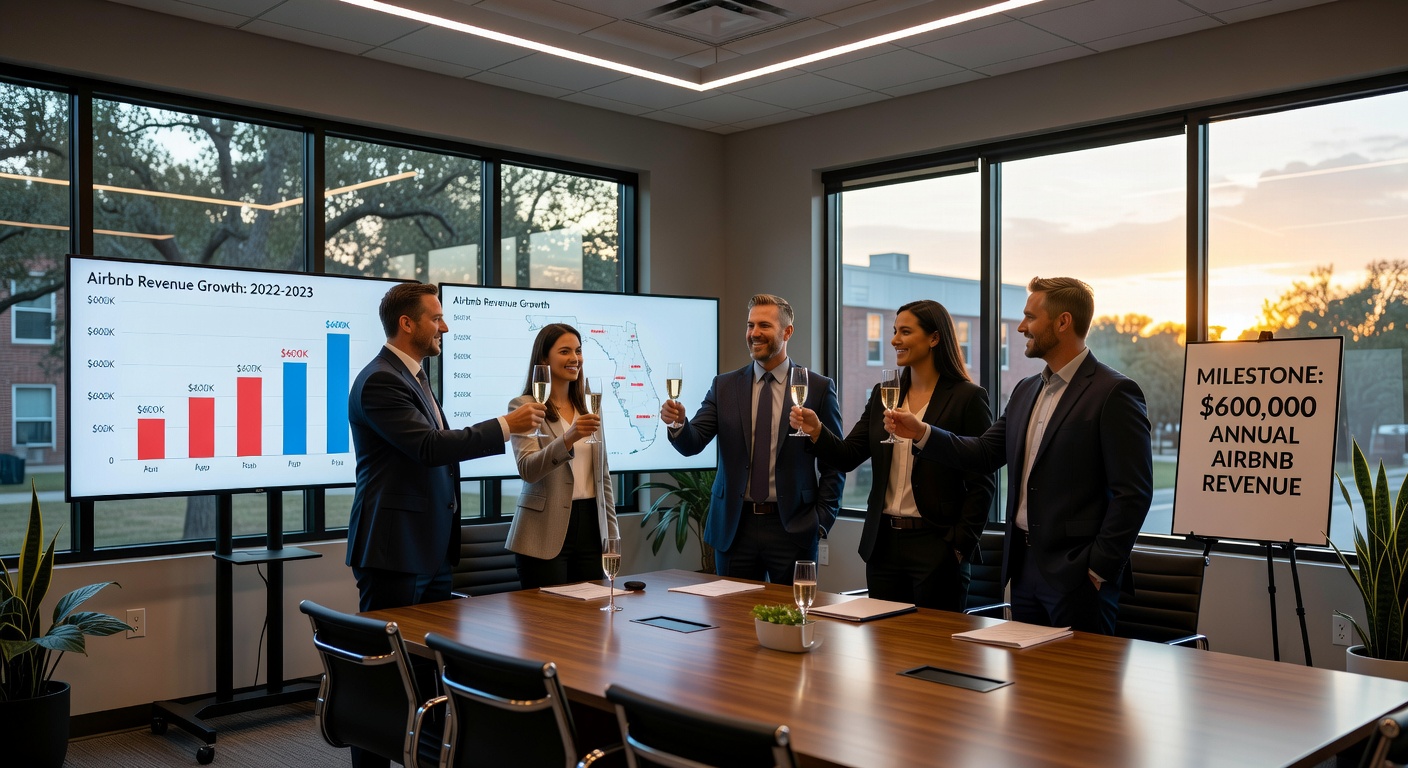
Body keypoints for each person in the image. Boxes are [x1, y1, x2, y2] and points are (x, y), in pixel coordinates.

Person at [887, 277, 1152, 634]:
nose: (1021, 327)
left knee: (1084, 686)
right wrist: (922, 433)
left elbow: (1133, 493)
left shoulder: (1114, 392)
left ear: (1063, 322)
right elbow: (982, 453)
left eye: (1030, 317)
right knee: (1026, 686)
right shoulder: (1026, 390)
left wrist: (1098, 568)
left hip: (1079, 577)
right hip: (1024, 570)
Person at [346, 282, 545, 614]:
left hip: (428, 550)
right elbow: (429, 447)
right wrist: (507, 425)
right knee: (392, 658)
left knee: (429, 656)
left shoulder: (412, 377)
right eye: (436, 319)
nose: (445, 327)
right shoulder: (381, 380)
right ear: (407, 323)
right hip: (396, 550)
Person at [789, 300, 995, 611]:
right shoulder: (884, 392)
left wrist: (958, 546)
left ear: (934, 338)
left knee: (933, 647)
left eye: (905, 332)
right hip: (882, 545)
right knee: (884, 650)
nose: (894, 340)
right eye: (894, 331)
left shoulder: (968, 398)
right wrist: (817, 430)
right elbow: (848, 456)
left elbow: (982, 480)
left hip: (936, 546)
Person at [661, 293, 845, 583]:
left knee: (791, 620)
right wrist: (678, 424)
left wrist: (821, 522)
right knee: (732, 624)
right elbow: (692, 444)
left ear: (787, 332)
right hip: (735, 528)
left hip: (794, 528)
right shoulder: (724, 386)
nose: (754, 333)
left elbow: (835, 462)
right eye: (750, 325)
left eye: (764, 326)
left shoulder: (818, 388)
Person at [507, 323, 617, 588]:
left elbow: (603, 477)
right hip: (543, 530)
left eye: (578, 351)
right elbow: (528, 469)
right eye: (565, 351)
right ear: (544, 358)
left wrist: (612, 536)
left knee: (590, 621)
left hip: (592, 527)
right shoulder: (523, 406)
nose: (575, 359)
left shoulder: (590, 406)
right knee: (546, 622)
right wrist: (568, 437)